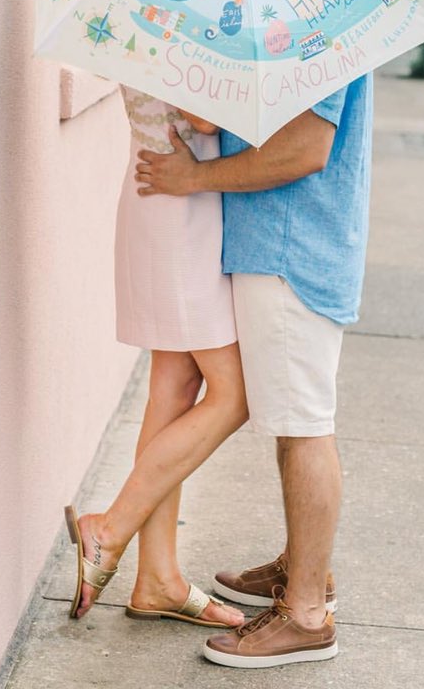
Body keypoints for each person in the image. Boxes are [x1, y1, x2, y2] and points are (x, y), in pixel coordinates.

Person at [135, 74, 373, 668]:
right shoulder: (305, 6)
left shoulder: (322, 19)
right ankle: (301, 567)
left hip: (293, 248)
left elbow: (305, 148)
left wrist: (195, 177)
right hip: (277, 241)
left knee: (306, 426)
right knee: (292, 419)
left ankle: (306, 615)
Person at [64, 87, 248, 629]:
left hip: (172, 195)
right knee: (234, 394)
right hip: (176, 205)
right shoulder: (173, 13)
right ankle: (111, 528)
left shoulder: (152, 9)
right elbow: (209, 115)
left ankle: (157, 579)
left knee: (174, 385)